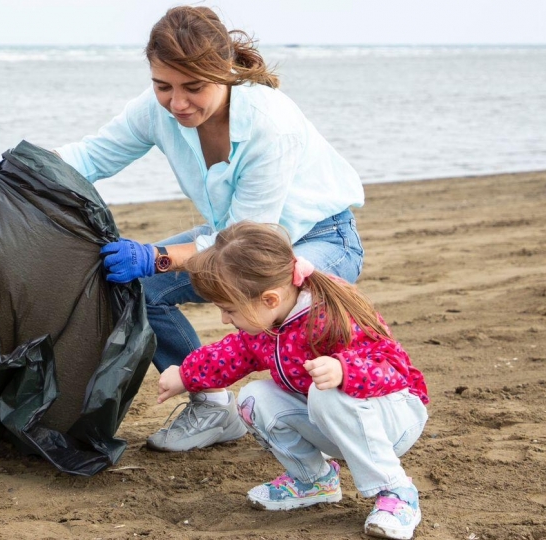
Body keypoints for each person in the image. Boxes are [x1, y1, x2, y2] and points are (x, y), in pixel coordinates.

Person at [51, 5, 366, 452]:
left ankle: (330, 425)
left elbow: (249, 242)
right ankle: (213, 406)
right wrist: (20, 168)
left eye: (193, 87)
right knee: (139, 290)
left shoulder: (270, 124)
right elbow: (90, 158)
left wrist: (154, 256)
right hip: (231, 237)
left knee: (291, 316)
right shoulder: (155, 110)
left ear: (223, 72)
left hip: (317, 238)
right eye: (163, 87)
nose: (177, 103)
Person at [156, 221, 429, 540]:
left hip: (392, 420)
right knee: (253, 397)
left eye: (229, 310)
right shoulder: (269, 323)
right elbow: (231, 353)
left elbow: (394, 368)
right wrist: (186, 375)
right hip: (337, 425)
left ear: (270, 299)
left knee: (327, 393)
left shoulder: (329, 315)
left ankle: (397, 493)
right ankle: (313, 481)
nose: (224, 320)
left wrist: (344, 369)